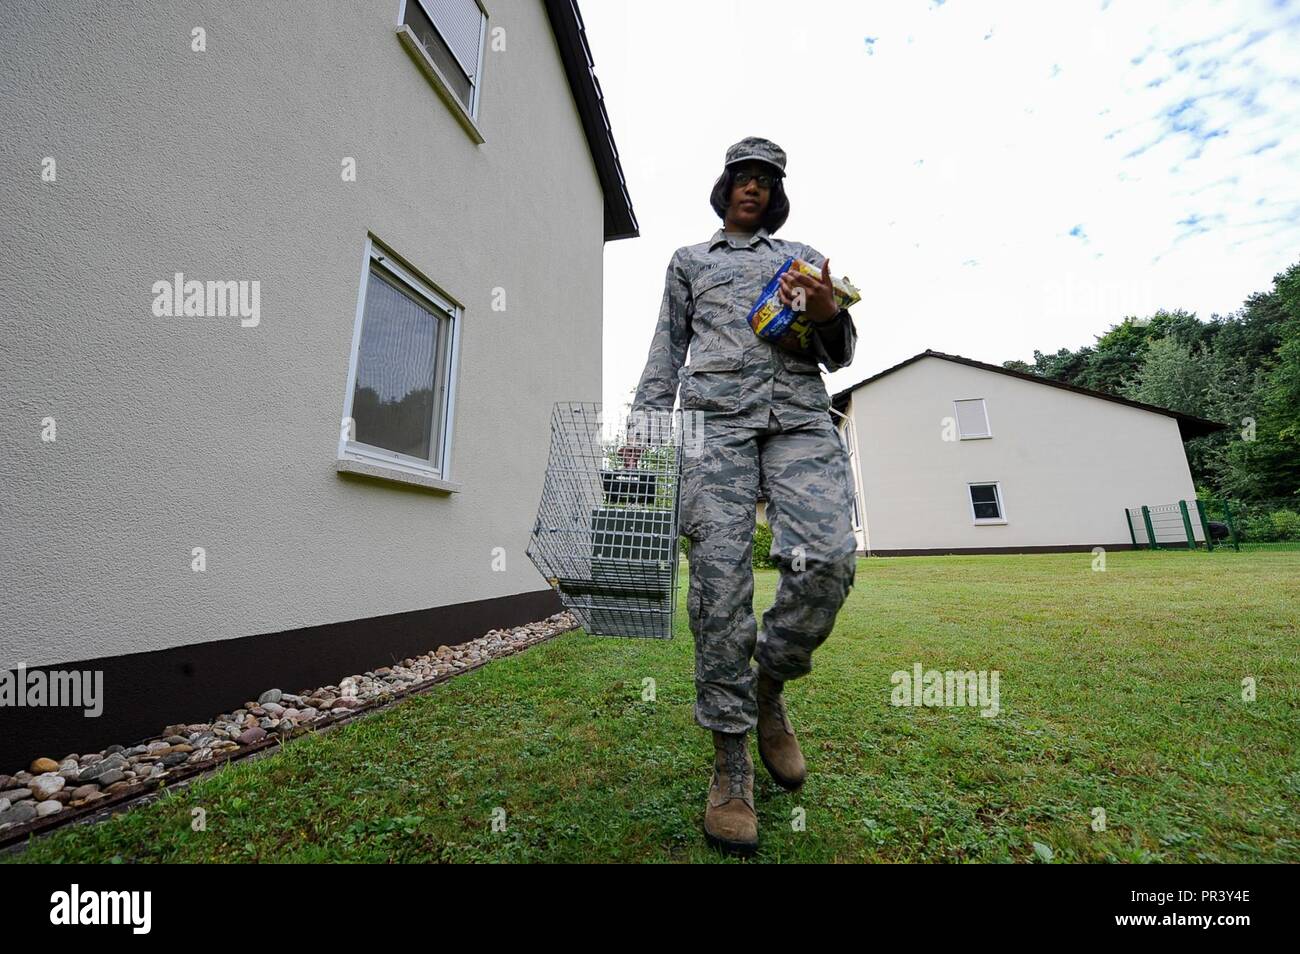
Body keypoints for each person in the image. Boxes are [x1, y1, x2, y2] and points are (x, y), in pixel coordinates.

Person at [627, 136, 860, 854]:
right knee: (719, 591)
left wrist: (825, 312)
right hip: (711, 430)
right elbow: (667, 348)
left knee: (827, 559)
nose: (753, 187)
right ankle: (732, 764)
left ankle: (769, 687)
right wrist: (642, 426)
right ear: (725, 186)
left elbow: (841, 351)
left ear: (777, 193)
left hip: (795, 418)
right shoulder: (690, 261)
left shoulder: (802, 258)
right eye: (743, 177)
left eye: (766, 180)